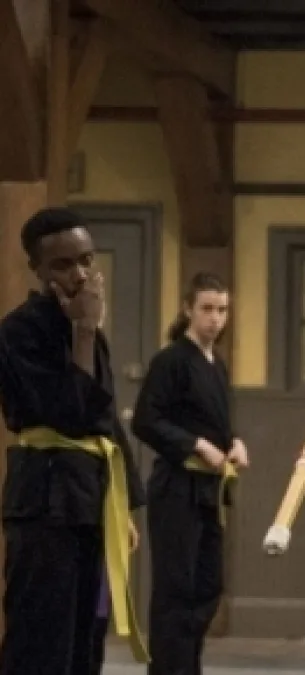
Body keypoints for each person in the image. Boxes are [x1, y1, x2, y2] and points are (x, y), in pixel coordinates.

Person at [0, 206, 148, 674]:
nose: (80, 275)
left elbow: (104, 418)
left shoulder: (88, 331)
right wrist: (85, 331)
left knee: (87, 640)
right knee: (42, 642)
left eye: (86, 260)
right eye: (64, 265)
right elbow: (70, 414)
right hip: (45, 503)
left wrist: (122, 506)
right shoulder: (19, 332)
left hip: (89, 500)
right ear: (38, 269)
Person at [131, 272, 245, 675]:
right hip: (177, 489)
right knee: (176, 592)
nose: (215, 318)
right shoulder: (172, 361)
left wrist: (234, 442)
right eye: (207, 309)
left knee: (206, 588)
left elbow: (215, 422)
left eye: (222, 310)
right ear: (188, 310)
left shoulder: (217, 366)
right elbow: (145, 420)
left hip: (209, 491)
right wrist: (195, 445)